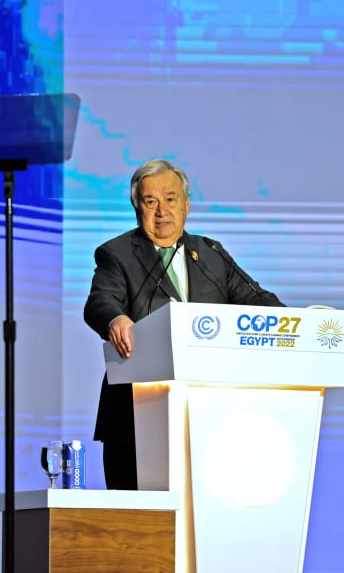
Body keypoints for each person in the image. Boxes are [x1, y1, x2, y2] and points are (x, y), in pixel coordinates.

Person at [83, 158, 284, 490]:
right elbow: (100, 301)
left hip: (211, 416)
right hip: (135, 416)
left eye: (171, 199)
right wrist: (116, 319)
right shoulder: (116, 254)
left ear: (186, 205)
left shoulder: (210, 254)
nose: (162, 210)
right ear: (137, 207)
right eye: (151, 201)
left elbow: (257, 300)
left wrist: (293, 322)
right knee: (140, 527)